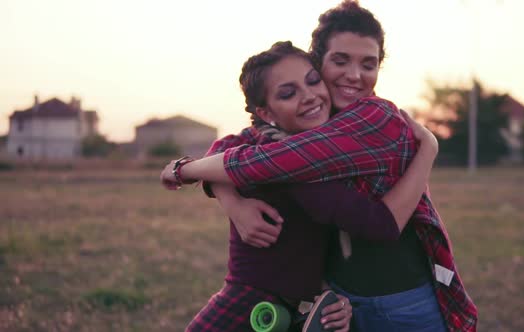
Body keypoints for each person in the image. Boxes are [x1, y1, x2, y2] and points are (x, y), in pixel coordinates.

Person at [163, 1, 478, 331]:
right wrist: (235, 203)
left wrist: (185, 170)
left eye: (368, 64)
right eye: (340, 61)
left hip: (400, 297)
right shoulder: (303, 126)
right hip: (341, 299)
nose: (354, 75)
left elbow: (272, 161)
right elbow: (233, 144)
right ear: (319, 61)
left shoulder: (374, 118)